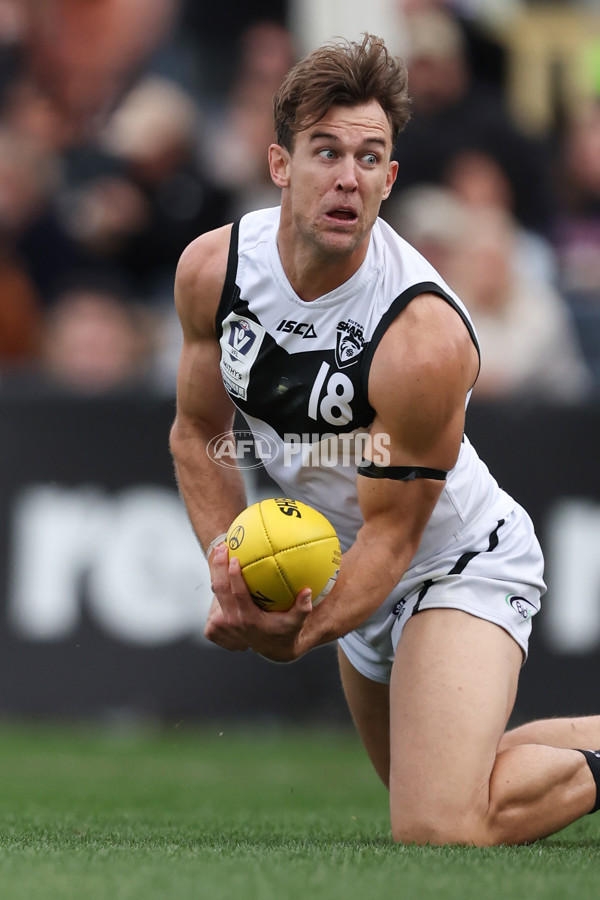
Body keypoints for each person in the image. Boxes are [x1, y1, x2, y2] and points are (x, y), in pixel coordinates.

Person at [169, 34, 600, 846]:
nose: (346, 177)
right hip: (350, 567)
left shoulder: (422, 336)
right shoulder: (213, 271)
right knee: (442, 784)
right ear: (279, 165)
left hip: (452, 560)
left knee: (439, 825)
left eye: (370, 158)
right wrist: (232, 571)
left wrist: (294, 631)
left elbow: (397, 536)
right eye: (325, 151)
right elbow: (198, 433)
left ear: (390, 179)